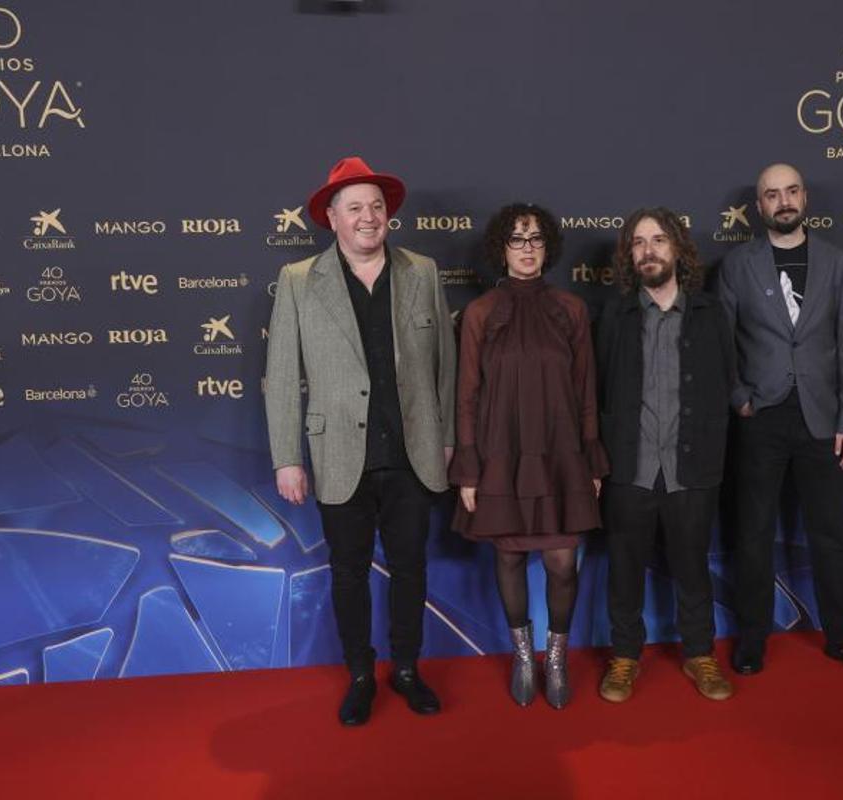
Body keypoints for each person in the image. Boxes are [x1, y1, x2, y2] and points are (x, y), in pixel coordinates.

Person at [264, 156, 457, 726]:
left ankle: (405, 669)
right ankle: (358, 674)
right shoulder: (299, 280)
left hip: (412, 453)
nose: (369, 217)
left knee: (411, 567)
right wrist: (286, 459)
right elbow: (280, 377)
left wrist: (445, 438)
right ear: (332, 217)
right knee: (347, 572)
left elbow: (446, 365)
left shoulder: (422, 270)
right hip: (337, 456)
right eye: (356, 208)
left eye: (377, 206)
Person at [717, 163, 843, 679]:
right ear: (759, 206)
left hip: (823, 419)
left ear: (804, 197)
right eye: (772, 194)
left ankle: (842, 638)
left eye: (791, 191)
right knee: (752, 534)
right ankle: (751, 638)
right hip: (760, 418)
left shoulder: (837, 263)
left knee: (831, 534)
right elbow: (722, 342)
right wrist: (739, 398)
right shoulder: (737, 265)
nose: (783, 201)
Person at [449, 203, 608, 709]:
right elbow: (467, 395)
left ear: (548, 248)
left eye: (536, 240)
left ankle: (555, 657)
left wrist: (591, 460)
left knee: (563, 562)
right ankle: (523, 654)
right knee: (510, 555)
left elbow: (586, 392)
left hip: (562, 454)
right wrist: (469, 469)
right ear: (502, 248)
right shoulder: (478, 313)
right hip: (500, 454)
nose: (527, 250)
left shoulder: (572, 309)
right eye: (517, 241)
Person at [595, 207, 737, 703]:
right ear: (629, 255)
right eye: (638, 243)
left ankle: (700, 654)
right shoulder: (614, 315)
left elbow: (727, 382)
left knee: (693, 567)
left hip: (691, 467)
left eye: (657, 240)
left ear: (677, 247)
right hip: (629, 466)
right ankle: (624, 658)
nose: (648, 250)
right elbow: (598, 389)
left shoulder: (710, 312)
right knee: (624, 569)